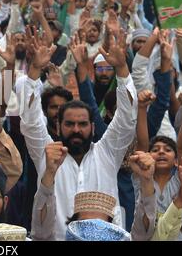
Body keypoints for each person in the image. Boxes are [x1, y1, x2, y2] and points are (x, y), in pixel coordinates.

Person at [17, 27, 137, 240]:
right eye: (69, 124)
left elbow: (127, 119)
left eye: (82, 124)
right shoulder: (47, 155)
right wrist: (34, 71)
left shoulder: (107, 154)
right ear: (58, 126)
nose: (76, 130)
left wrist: (122, 70)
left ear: (93, 127)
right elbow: (30, 122)